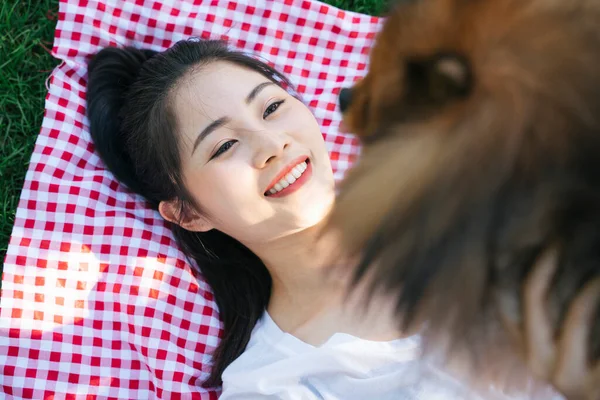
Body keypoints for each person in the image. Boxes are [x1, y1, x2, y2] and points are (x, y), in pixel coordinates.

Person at [85, 39, 565, 399]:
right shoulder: (275, 382)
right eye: (224, 145)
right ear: (187, 213)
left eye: (273, 107)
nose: (273, 146)